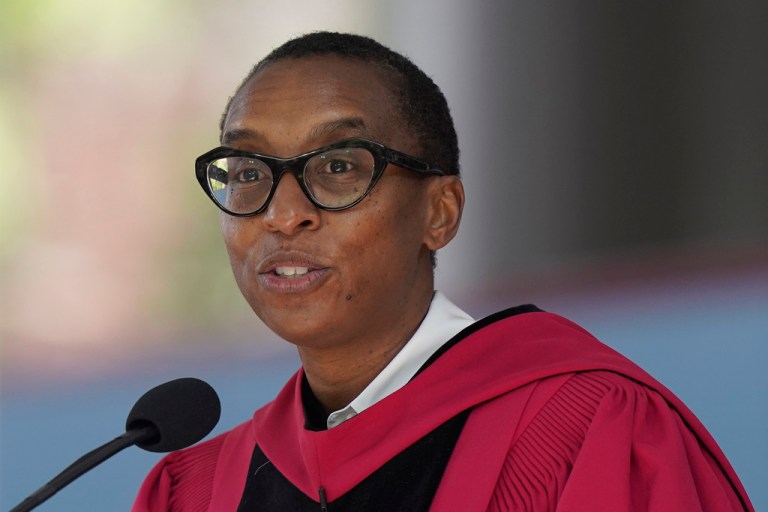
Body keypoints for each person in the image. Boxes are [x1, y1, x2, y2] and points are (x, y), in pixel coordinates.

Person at [133, 32, 753, 511]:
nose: (283, 213)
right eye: (247, 173)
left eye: (340, 166)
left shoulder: (590, 428)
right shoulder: (197, 492)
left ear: (440, 212)